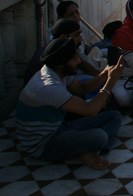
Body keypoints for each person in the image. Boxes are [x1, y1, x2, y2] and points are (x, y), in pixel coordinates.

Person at [15, 38, 124, 170]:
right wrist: (111, 82)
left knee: (114, 116)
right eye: (74, 59)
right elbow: (90, 110)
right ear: (60, 63)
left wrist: (104, 75)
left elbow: (81, 88)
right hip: (43, 144)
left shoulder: (55, 72)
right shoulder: (49, 87)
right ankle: (87, 151)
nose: (79, 61)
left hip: (59, 128)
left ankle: (90, 151)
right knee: (100, 136)